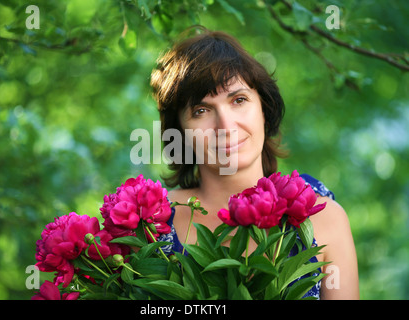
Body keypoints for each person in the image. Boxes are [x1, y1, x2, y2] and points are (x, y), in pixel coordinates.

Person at [150, 27, 359, 300]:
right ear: (179, 132)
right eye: (201, 111)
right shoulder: (150, 226)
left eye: (238, 100)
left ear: (264, 109)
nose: (225, 126)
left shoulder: (324, 217)